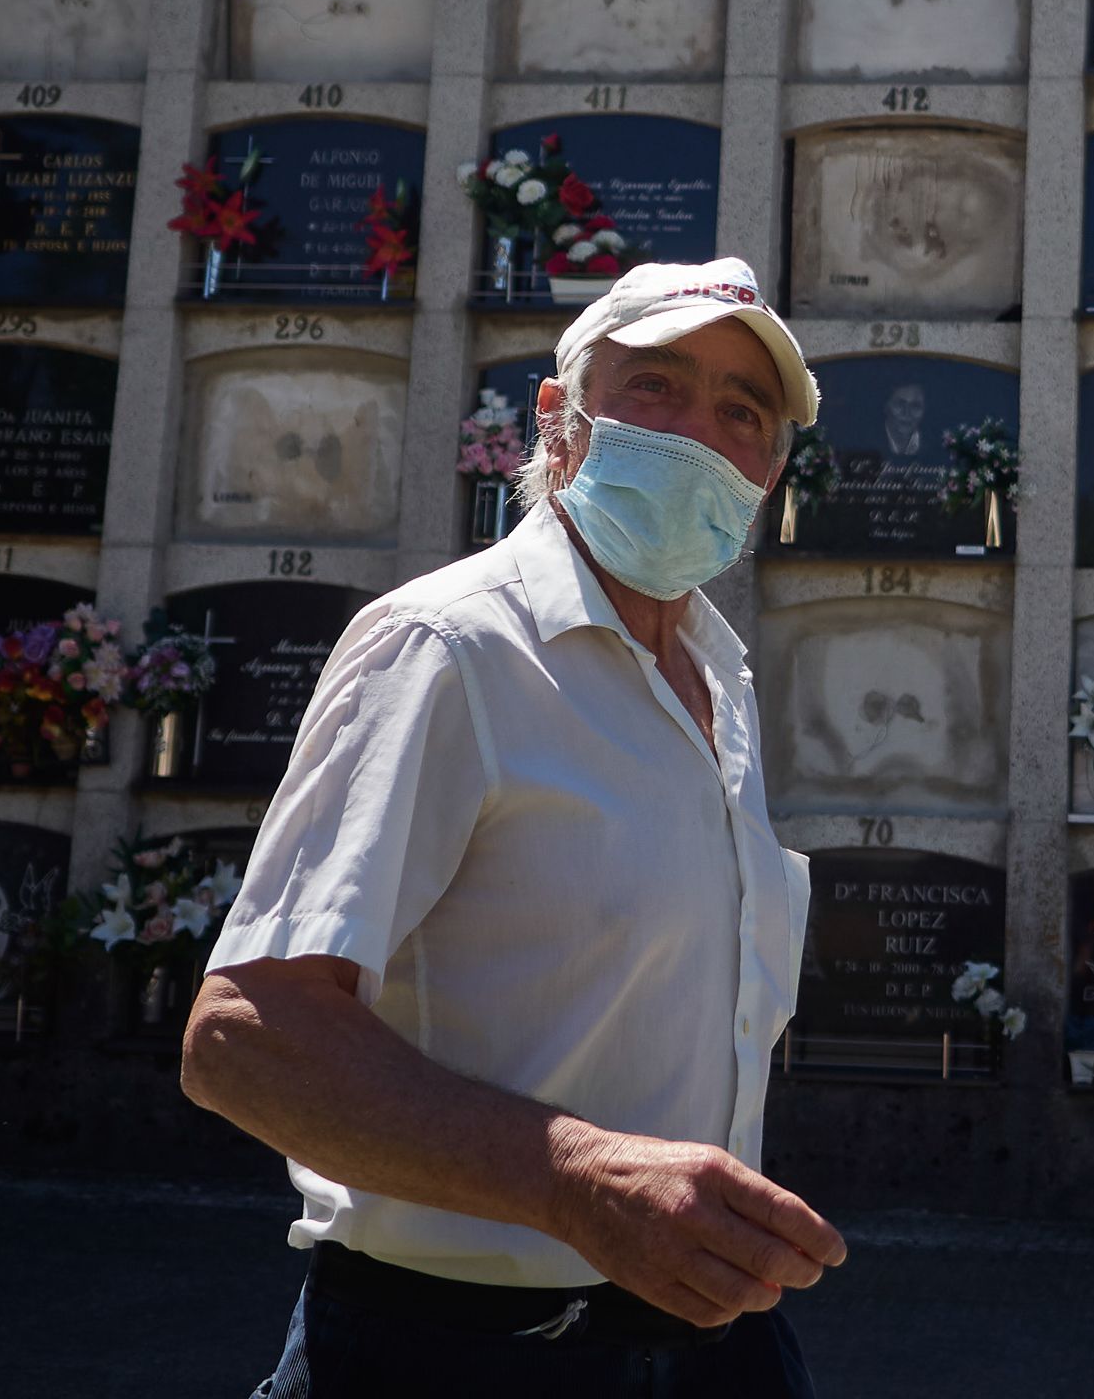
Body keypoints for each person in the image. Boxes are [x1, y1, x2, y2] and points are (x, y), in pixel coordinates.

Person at [183, 258, 847, 1398]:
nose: (699, 434)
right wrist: (572, 1178)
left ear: (769, 469)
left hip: (714, 1346)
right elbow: (246, 1038)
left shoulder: (716, 674)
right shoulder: (448, 647)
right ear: (560, 419)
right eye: (656, 387)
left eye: (741, 411)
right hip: (457, 1354)